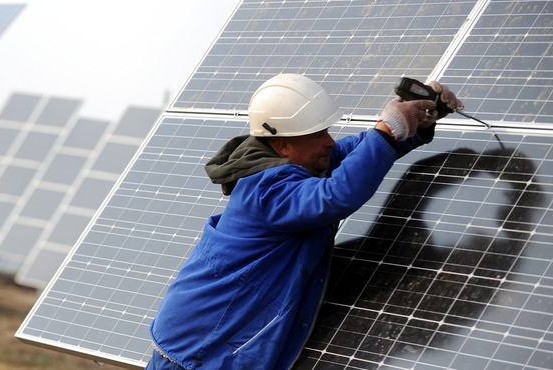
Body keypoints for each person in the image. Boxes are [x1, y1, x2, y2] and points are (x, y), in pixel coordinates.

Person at [146, 73, 461, 370]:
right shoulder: (266, 191)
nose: (330, 142)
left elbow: (361, 153)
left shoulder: (299, 164)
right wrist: (387, 129)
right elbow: (337, 194)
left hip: (205, 341)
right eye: (318, 135)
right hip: (199, 351)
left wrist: (417, 123)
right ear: (283, 145)